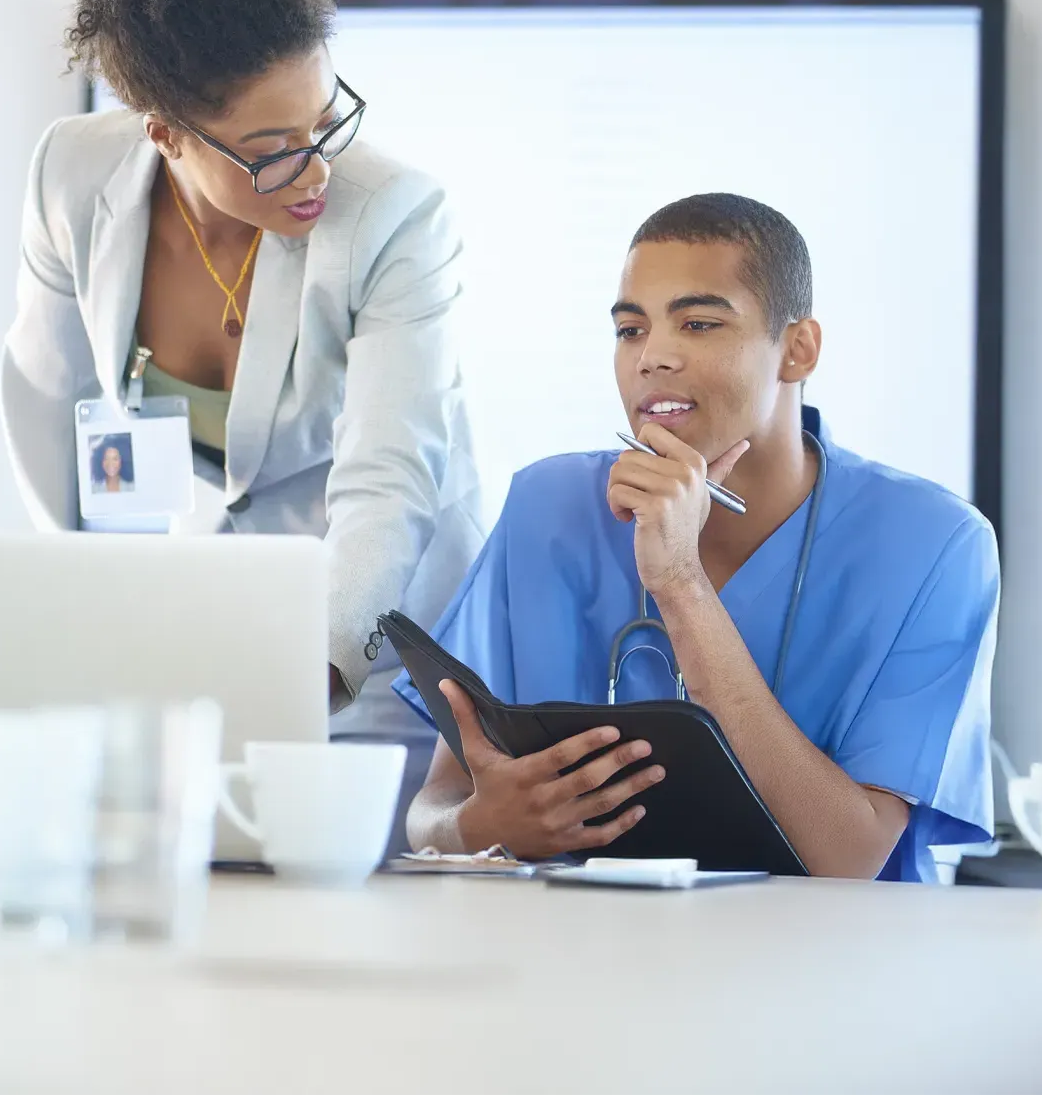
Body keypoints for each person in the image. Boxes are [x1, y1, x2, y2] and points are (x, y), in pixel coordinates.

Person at [0, 0, 483, 842]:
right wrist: (103, 638)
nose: (314, 167)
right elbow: (52, 420)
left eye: (325, 118)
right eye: (269, 150)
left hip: (373, 665)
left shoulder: (392, 217)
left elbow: (387, 484)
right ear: (163, 133)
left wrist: (305, 677)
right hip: (192, 652)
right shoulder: (72, 178)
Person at [395, 193, 999, 883]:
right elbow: (437, 808)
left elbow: (847, 859)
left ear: (797, 349)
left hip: (827, 970)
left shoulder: (936, 544)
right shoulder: (548, 507)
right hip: (576, 963)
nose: (653, 357)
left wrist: (680, 582)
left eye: (700, 323)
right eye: (630, 331)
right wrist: (482, 826)